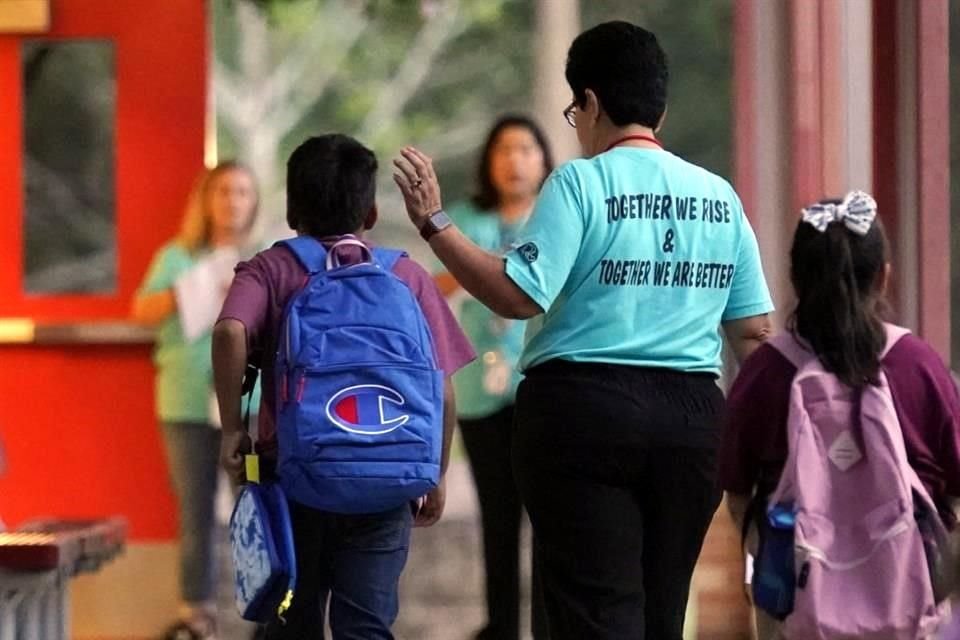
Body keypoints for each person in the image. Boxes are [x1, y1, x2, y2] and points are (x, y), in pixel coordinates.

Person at [392, 20, 773, 640]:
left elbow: (516, 293)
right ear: (662, 107)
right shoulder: (719, 197)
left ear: (590, 102)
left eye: (576, 110)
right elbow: (753, 332)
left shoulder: (580, 182)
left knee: (594, 613)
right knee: (662, 612)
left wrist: (436, 223)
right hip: (692, 424)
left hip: (585, 416)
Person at [213, 134, 474, 640]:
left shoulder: (273, 268)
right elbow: (441, 390)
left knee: (293, 622)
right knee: (366, 625)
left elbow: (228, 331)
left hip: (294, 478)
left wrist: (230, 430)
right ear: (371, 212)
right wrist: (435, 472)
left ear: (292, 211)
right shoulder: (406, 275)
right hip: (386, 482)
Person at [718, 192, 960, 639]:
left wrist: (769, 562)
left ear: (795, 278)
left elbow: (736, 492)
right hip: (909, 611)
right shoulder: (919, 365)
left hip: (795, 612)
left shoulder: (767, 372)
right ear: (884, 277)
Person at [131, 161, 260, 640]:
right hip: (185, 404)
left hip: (249, 407)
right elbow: (141, 310)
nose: (232, 200)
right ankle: (196, 618)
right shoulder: (178, 256)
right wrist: (196, 286)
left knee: (254, 507)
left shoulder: (264, 257)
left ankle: (263, 613)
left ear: (255, 201)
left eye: (243, 192)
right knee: (195, 513)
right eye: (224, 191)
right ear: (206, 199)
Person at [436, 115, 552, 640]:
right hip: (480, 395)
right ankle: (501, 626)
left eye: (525, 149)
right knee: (498, 517)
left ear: (545, 160)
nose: (514, 160)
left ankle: (549, 625)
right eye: (504, 149)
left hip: (544, 391)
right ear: (488, 161)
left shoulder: (557, 218)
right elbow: (438, 282)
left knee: (550, 519)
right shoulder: (464, 219)